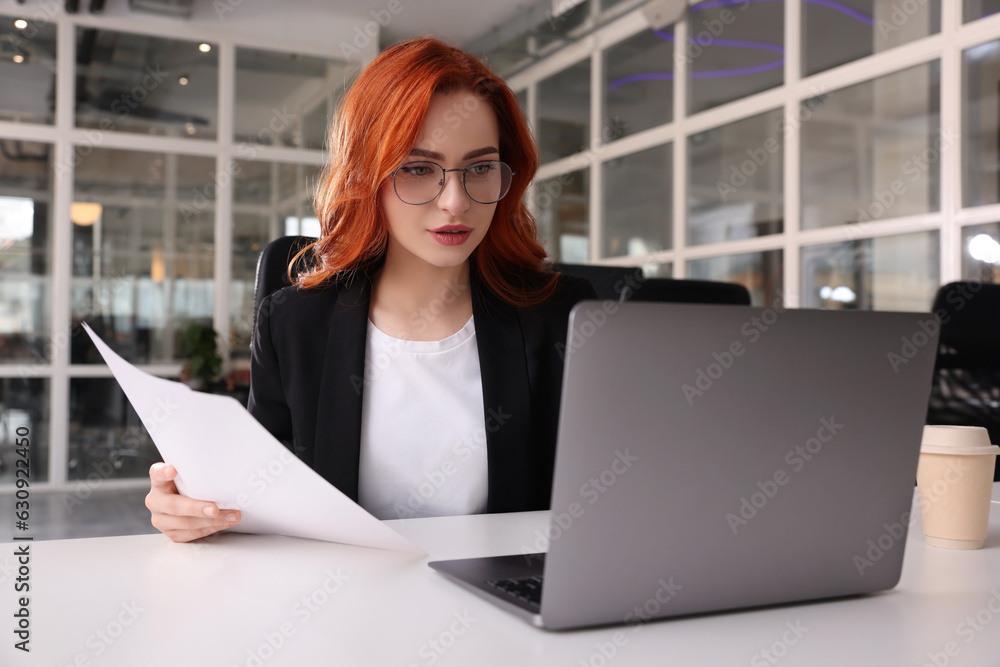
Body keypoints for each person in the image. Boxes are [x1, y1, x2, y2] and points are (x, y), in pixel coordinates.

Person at [146, 36, 596, 543]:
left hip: (506, 609)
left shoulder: (562, 317)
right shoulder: (295, 325)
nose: (455, 201)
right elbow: (255, 501)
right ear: (367, 175)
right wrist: (197, 510)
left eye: (480, 168)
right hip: (346, 605)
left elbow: (605, 496)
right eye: (419, 168)